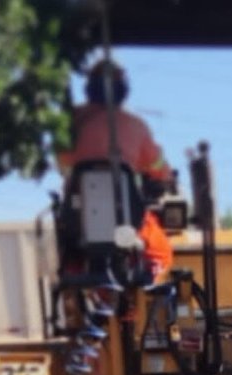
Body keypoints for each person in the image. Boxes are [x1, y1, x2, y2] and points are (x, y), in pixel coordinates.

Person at [55, 59, 174, 278]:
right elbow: (159, 169)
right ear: (123, 90)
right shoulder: (136, 126)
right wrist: (163, 176)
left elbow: (62, 163)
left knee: (69, 256)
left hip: (79, 223)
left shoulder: (70, 122)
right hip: (126, 225)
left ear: (89, 88)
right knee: (160, 252)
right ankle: (142, 296)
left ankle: (79, 296)